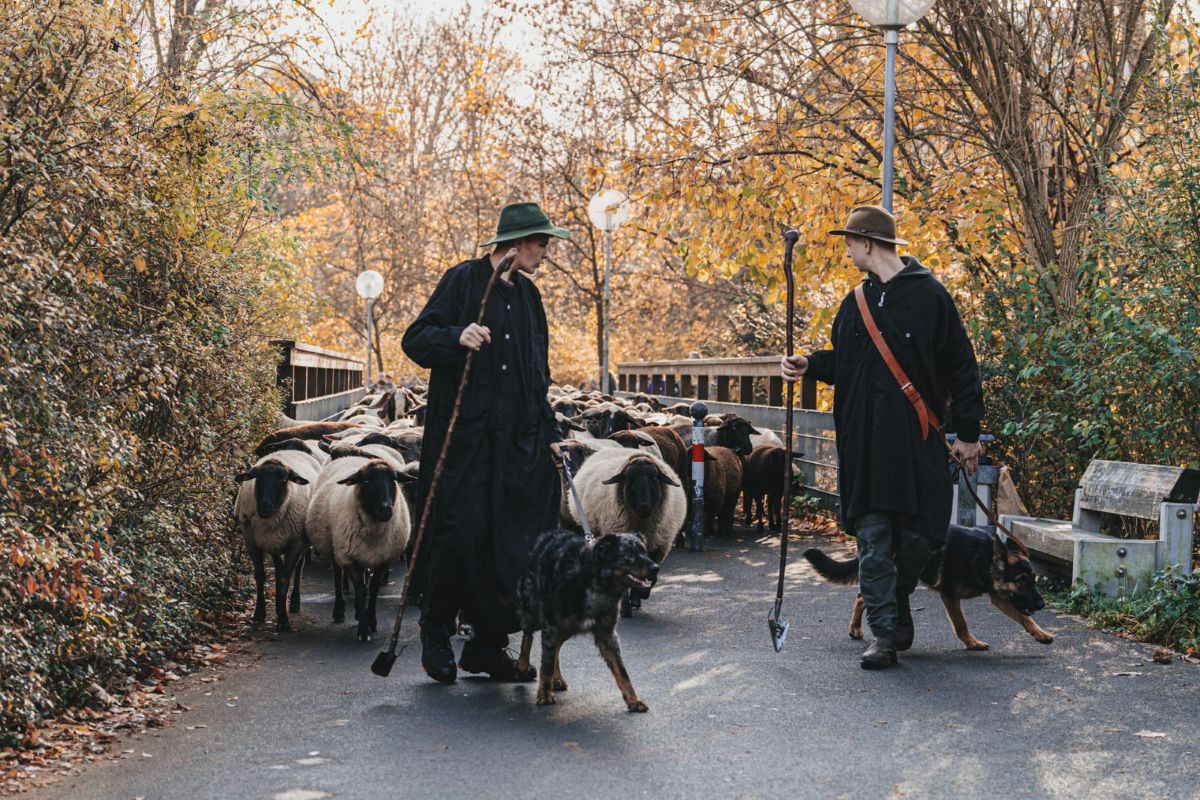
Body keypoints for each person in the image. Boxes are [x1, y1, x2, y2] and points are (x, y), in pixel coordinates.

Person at [781, 205, 984, 670]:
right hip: (865, 445)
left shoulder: (931, 297)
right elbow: (847, 361)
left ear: (868, 243)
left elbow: (961, 367)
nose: (847, 249)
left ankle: (898, 594)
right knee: (872, 540)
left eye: (850, 241)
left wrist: (968, 434)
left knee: (923, 537)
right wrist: (809, 363)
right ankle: (884, 635)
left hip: (916, 445)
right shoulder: (854, 303)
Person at [402, 202, 567, 684]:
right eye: (541, 244)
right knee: (458, 536)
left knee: (511, 542)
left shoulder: (531, 299)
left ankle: (488, 643)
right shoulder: (464, 280)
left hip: (517, 445)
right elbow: (416, 339)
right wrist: (458, 335)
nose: (545, 254)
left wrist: (552, 433)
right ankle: (436, 632)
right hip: (464, 444)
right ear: (515, 244)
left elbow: (539, 376)